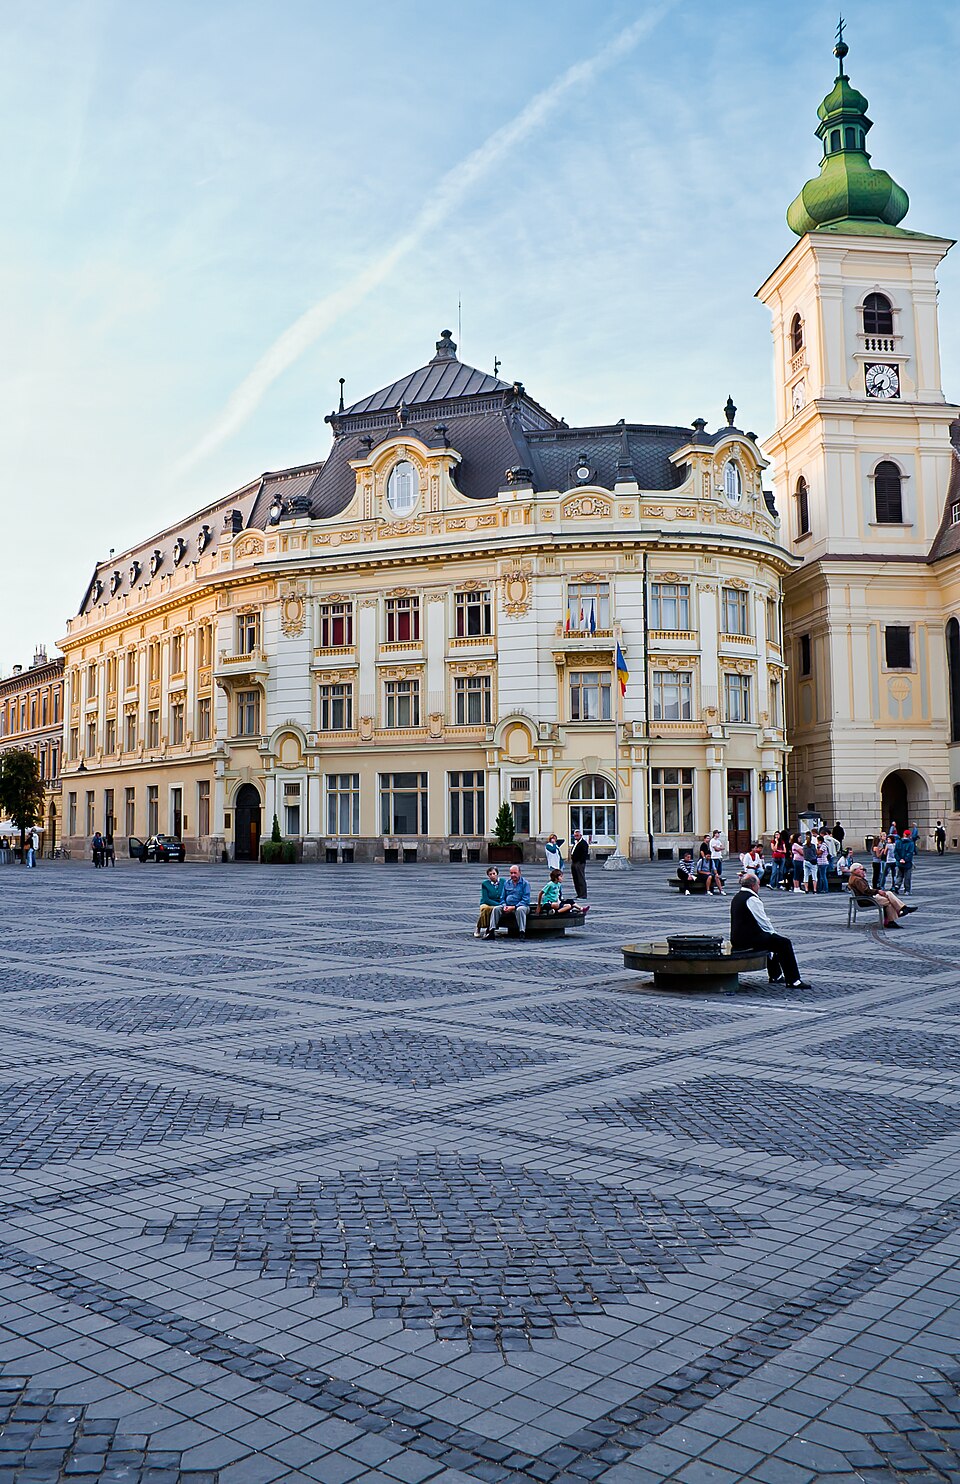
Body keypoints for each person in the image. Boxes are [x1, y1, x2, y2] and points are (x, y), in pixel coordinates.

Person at [730, 872, 810, 987]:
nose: (759, 887)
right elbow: (763, 921)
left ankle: (775, 975)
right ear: (753, 885)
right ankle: (793, 980)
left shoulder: (738, 896)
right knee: (783, 943)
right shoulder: (752, 899)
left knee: (772, 941)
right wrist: (774, 934)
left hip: (738, 938)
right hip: (748, 940)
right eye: (758, 884)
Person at [848, 862, 917, 928]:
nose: (864, 871)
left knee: (889, 894)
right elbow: (866, 891)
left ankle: (901, 911)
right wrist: (877, 891)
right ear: (855, 870)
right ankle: (895, 916)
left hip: (867, 898)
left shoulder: (855, 878)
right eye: (862, 869)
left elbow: (866, 890)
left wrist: (877, 891)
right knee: (888, 901)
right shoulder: (857, 880)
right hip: (866, 900)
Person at [487, 864, 531, 937]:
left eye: (515, 873)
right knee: (496, 909)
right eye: (511, 873)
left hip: (521, 906)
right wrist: (504, 906)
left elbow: (525, 900)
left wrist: (514, 907)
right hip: (508, 906)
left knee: (520, 910)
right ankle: (491, 931)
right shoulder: (507, 883)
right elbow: (502, 898)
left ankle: (522, 932)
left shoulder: (525, 884)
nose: (513, 875)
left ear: (519, 873)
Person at [476, 867, 505, 937]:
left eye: (494, 873)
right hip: (486, 903)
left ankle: (489, 929)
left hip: (500, 902)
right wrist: (498, 904)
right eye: (490, 874)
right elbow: (486, 899)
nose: (492, 876)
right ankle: (478, 927)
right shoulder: (485, 884)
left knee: (493, 910)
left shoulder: (503, 882)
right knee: (486, 909)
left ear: (497, 874)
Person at [570, 830, 589, 901]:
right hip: (574, 862)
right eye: (574, 836)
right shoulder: (575, 843)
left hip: (579, 863)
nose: (575, 837)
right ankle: (579, 894)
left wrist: (581, 861)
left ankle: (583, 895)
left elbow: (584, 853)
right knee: (575, 879)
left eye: (577, 835)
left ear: (580, 835)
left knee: (580, 878)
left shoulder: (583, 843)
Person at [894, 830, 915, 894]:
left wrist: (899, 859)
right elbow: (910, 853)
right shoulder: (911, 843)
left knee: (899, 875)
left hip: (899, 862)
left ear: (903, 834)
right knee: (907, 877)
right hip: (907, 863)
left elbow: (896, 852)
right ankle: (907, 890)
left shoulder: (898, 842)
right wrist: (905, 860)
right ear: (909, 835)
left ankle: (897, 886)